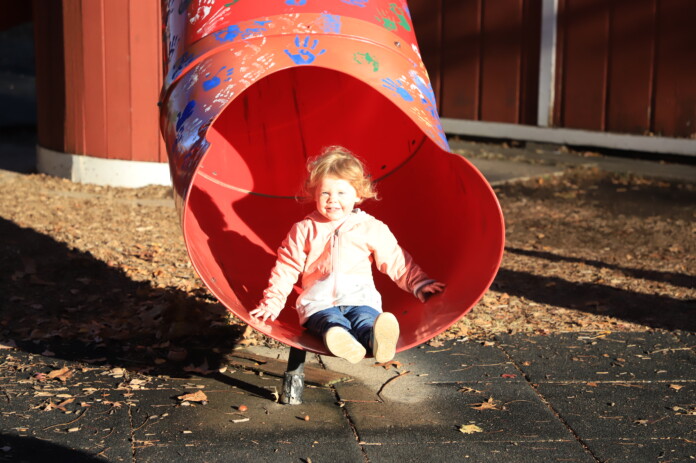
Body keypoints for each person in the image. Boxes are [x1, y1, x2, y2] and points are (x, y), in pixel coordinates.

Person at [250, 146, 445, 363]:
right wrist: (272, 302)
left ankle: (377, 341)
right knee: (329, 322)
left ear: (358, 194)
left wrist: (420, 283)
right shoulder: (305, 229)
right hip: (319, 303)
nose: (332, 200)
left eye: (341, 193)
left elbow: (395, 259)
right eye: (325, 193)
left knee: (367, 321)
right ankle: (342, 340)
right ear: (314, 193)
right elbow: (287, 267)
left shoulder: (369, 227)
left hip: (360, 298)